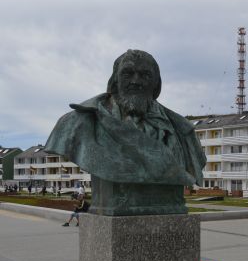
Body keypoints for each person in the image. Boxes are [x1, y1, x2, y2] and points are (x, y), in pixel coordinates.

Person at [45, 49, 206, 215]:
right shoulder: (77, 122)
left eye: (145, 75)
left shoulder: (182, 129)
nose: (136, 81)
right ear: (115, 80)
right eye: (128, 74)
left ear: (156, 83)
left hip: (172, 206)